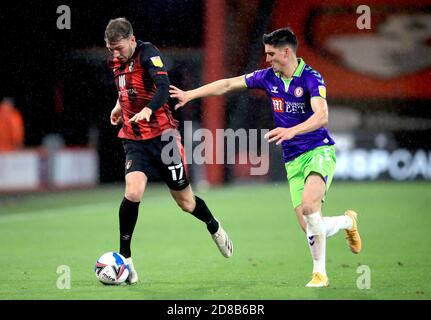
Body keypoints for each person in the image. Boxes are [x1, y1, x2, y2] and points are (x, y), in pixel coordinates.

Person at [170, 28, 362, 288]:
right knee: (310, 227)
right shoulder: (267, 77)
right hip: (293, 159)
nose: (268, 59)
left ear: (286, 52)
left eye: (271, 54)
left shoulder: (311, 78)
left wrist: (291, 130)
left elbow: (322, 116)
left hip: (319, 150)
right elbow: (227, 84)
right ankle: (347, 221)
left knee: (309, 206)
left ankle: (320, 274)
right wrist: (190, 94)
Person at [104, 18, 233, 285]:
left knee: (186, 202)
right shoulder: (116, 61)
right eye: (110, 49)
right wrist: (119, 106)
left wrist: (150, 109)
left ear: (131, 39)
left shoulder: (148, 53)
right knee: (133, 190)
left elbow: (163, 88)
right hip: (134, 137)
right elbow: (125, 87)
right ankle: (125, 257)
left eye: (118, 48)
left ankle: (214, 226)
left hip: (164, 139)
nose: (115, 54)